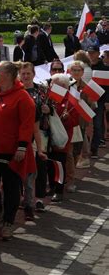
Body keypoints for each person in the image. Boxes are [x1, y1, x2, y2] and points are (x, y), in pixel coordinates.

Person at [0, 61, 36, 240]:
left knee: (12, 189)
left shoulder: (23, 97)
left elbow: (27, 125)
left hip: (13, 153)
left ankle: (8, 222)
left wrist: (22, 146)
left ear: (10, 76)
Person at [18, 62, 49, 219]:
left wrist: (48, 110)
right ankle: (22, 199)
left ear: (33, 74)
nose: (25, 76)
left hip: (38, 133)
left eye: (28, 73)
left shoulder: (40, 90)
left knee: (36, 168)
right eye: (22, 73)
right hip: (19, 136)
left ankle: (36, 200)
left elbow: (50, 107)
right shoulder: (15, 91)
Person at [46, 74, 79, 202]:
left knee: (59, 164)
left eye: (54, 84)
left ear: (64, 86)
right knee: (49, 163)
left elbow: (75, 121)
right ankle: (52, 187)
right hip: (48, 136)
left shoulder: (70, 101)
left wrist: (67, 118)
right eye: (51, 83)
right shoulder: (48, 97)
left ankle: (59, 191)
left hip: (61, 137)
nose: (51, 86)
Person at [87, 46, 108, 157]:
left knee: (98, 125)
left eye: (93, 53)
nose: (91, 55)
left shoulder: (105, 68)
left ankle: (94, 148)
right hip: (85, 99)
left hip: (98, 101)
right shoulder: (85, 67)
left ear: (98, 53)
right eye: (89, 53)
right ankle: (83, 150)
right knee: (83, 125)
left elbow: (107, 87)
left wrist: (107, 101)